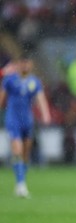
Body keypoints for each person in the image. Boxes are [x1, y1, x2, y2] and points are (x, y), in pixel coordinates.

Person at [0, 57, 51, 198]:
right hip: (13, 119)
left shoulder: (34, 82)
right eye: (22, 63)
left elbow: (41, 99)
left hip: (27, 121)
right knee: (17, 149)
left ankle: (21, 180)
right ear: (18, 65)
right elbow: (2, 98)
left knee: (25, 155)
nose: (25, 66)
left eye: (27, 63)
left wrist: (46, 114)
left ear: (31, 64)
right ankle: (20, 184)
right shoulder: (9, 80)